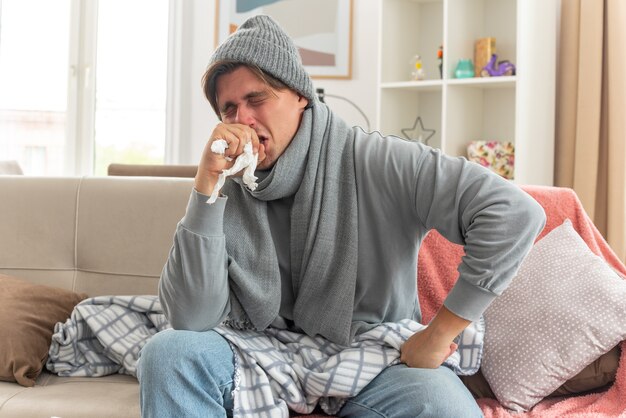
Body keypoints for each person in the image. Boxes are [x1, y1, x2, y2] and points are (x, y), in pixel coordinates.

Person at [138, 15, 545, 418]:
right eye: (229, 109)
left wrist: (439, 334)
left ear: (299, 94)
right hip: (258, 351)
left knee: (443, 407)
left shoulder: (375, 159)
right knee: (168, 353)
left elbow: (513, 213)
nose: (242, 119)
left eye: (256, 99)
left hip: (374, 357)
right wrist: (206, 185)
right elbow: (191, 319)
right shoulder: (229, 182)